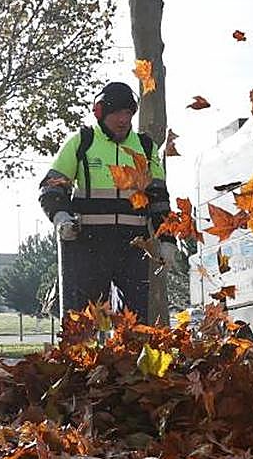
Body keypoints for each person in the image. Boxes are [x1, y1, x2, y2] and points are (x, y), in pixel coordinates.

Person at [38, 81, 178, 319]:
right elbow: (50, 189)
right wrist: (61, 218)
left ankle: (130, 357)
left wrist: (167, 239)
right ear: (101, 113)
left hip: (133, 249)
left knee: (134, 324)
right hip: (87, 247)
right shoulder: (83, 142)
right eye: (116, 114)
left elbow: (159, 199)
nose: (123, 120)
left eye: (128, 113)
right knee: (82, 323)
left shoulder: (145, 147)